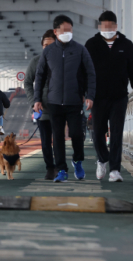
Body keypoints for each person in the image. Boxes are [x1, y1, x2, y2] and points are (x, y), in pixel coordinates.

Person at [34, 15, 96, 183]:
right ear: (56, 32)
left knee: (76, 134)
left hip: (74, 100)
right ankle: (61, 170)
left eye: (70, 30)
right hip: (54, 102)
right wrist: (37, 99)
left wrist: (90, 95)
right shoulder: (48, 51)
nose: (68, 33)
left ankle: (78, 160)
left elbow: (90, 73)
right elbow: (39, 76)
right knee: (58, 137)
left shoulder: (80, 50)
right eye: (64, 30)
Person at [85, 10, 133, 182]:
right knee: (97, 132)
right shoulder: (91, 44)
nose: (108, 29)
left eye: (111, 26)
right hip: (98, 97)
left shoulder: (126, 45)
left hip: (119, 96)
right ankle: (102, 159)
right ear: (99, 27)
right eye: (105, 26)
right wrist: (85, 93)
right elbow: (84, 71)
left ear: (116, 27)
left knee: (117, 132)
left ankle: (115, 170)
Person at [25, 29, 56, 180]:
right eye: (45, 45)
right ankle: (50, 167)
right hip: (42, 108)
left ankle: (61, 166)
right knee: (45, 141)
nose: (47, 48)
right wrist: (33, 102)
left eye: (51, 45)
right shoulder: (36, 62)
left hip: (59, 107)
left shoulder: (64, 61)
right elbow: (27, 83)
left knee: (58, 140)